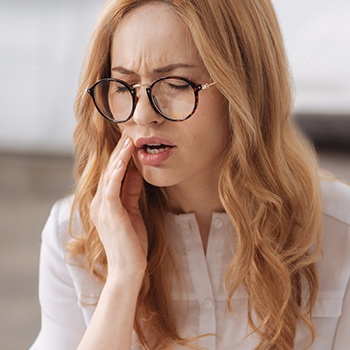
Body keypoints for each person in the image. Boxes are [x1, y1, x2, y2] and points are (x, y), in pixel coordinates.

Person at [30, 0, 350, 349]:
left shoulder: (340, 232)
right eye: (124, 87)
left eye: (176, 84)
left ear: (243, 88)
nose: (143, 114)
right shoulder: (71, 237)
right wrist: (123, 279)